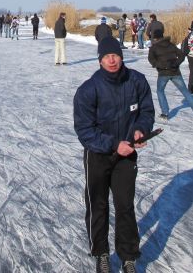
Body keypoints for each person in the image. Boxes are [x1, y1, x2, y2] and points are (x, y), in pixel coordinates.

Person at [73, 36, 155, 273]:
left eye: (116, 55)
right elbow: (84, 130)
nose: (112, 60)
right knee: (97, 205)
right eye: (107, 56)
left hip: (126, 155)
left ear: (121, 56)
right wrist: (113, 144)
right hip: (98, 155)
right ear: (100, 60)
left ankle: (128, 256)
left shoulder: (137, 81)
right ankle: (101, 253)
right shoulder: (88, 90)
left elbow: (146, 111)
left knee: (125, 205)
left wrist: (141, 130)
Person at [148, 28, 193, 120]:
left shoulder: (154, 47)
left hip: (163, 73)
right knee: (185, 92)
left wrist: (160, 65)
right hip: (175, 72)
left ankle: (165, 113)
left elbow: (151, 59)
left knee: (160, 91)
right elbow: (181, 55)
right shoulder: (171, 45)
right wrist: (175, 64)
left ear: (155, 38)